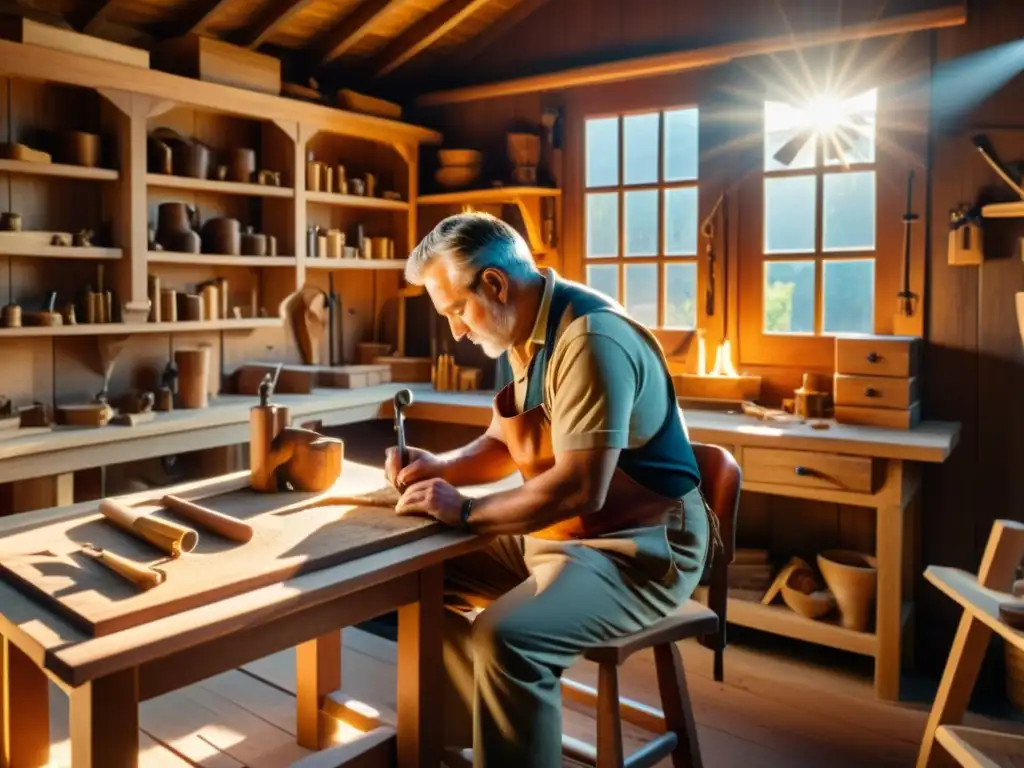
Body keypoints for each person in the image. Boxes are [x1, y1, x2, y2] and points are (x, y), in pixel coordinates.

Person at [384, 212, 720, 767]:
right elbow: (504, 441)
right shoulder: (524, 331)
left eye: (456, 311)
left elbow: (581, 488)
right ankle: (463, 741)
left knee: (505, 638)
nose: (456, 332)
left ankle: (505, 732)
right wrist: (437, 465)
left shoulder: (591, 340)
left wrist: (467, 511)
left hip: (637, 549)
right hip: (564, 535)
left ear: (494, 283)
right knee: (421, 576)